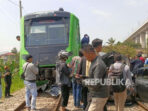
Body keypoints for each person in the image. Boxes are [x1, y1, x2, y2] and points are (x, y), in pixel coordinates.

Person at [82, 45, 109, 111]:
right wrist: (84, 78)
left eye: (85, 55)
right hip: (95, 94)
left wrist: (84, 82)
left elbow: (96, 83)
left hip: (99, 95)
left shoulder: (98, 64)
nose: (85, 57)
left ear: (90, 53)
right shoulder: (94, 62)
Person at [92, 38, 107, 111]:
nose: (102, 47)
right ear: (98, 46)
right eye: (101, 45)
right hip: (97, 90)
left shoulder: (95, 55)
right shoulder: (95, 57)